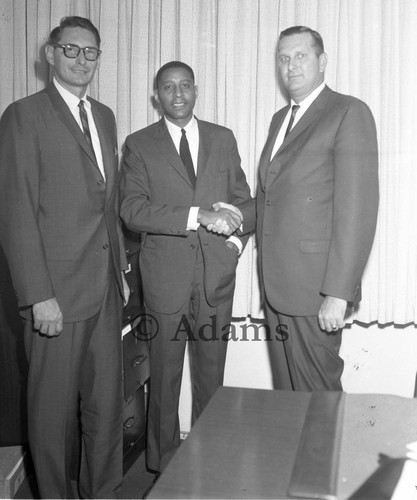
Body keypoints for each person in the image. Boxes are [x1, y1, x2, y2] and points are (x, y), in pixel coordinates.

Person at [0, 16, 129, 499]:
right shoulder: (23, 115)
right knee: (51, 420)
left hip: (103, 291)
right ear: (50, 54)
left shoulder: (106, 117)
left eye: (90, 52)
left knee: (106, 410)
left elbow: (106, 203)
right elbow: (15, 213)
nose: (81, 60)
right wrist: (38, 296)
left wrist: (122, 272)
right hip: (54, 296)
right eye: (71, 50)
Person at [119, 61, 255, 472]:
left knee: (211, 378)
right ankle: (162, 467)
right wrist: (198, 215)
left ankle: (209, 458)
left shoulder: (222, 137)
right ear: (156, 95)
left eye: (184, 86)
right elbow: (132, 210)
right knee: (163, 377)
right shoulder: (139, 144)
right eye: (167, 87)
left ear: (196, 90)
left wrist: (233, 242)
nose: (177, 94)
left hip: (215, 278)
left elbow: (245, 202)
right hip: (164, 280)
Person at [256, 26, 379, 391]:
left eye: (301, 56)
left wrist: (338, 294)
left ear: (322, 61)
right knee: (290, 400)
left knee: (318, 401)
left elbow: (358, 210)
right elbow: (271, 197)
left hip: (315, 291)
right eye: (283, 59)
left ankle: (324, 453)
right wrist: (231, 214)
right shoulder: (281, 120)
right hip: (277, 288)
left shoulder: (347, 112)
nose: (291, 66)